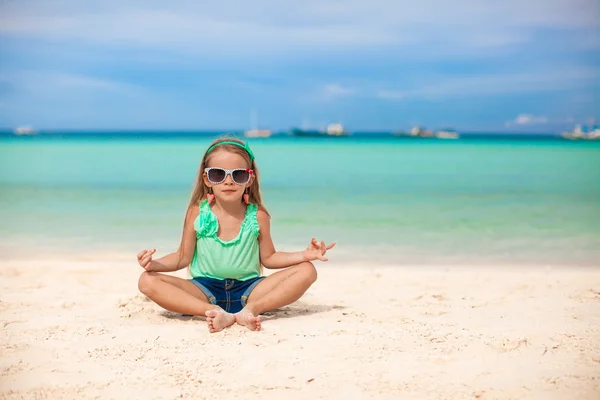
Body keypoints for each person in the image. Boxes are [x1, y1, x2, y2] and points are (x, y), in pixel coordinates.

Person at [136, 137, 335, 333]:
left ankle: (251, 310)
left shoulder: (258, 215)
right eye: (218, 174)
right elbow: (182, 257)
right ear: (207, 179)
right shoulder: (197, 212)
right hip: (204, 290)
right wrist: (154, 264)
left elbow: (269, 258)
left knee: (308, 271)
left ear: (249, 179)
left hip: (249, 290)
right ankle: (213, 311)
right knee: (146, 280)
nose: (228, 181)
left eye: (238, 175)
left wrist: (304, 255)